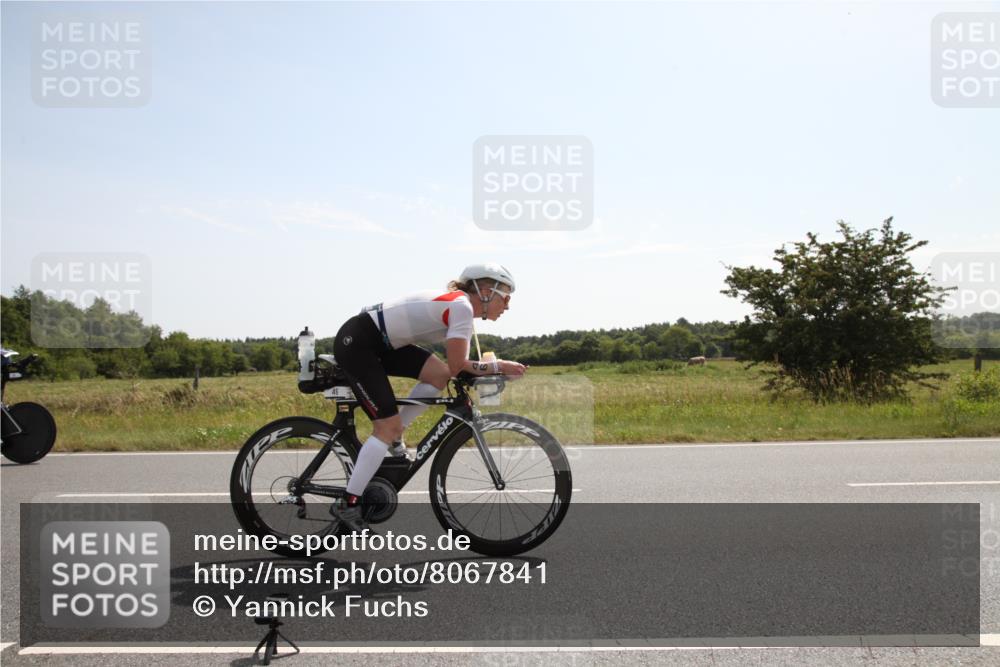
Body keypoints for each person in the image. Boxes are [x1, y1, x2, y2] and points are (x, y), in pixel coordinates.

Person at [332, 263, 526, 530]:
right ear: (484, 291)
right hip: (359, 343)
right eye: (505, 296)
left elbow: (454, 369)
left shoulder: (462, 309)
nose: (507, 305)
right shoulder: (462, 307)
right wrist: (498, 366)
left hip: (383, 342)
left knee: (438, 375)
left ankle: (396, 435)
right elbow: (460, 365)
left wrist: (489, 368)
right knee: (386, 426)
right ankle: (348, 503)